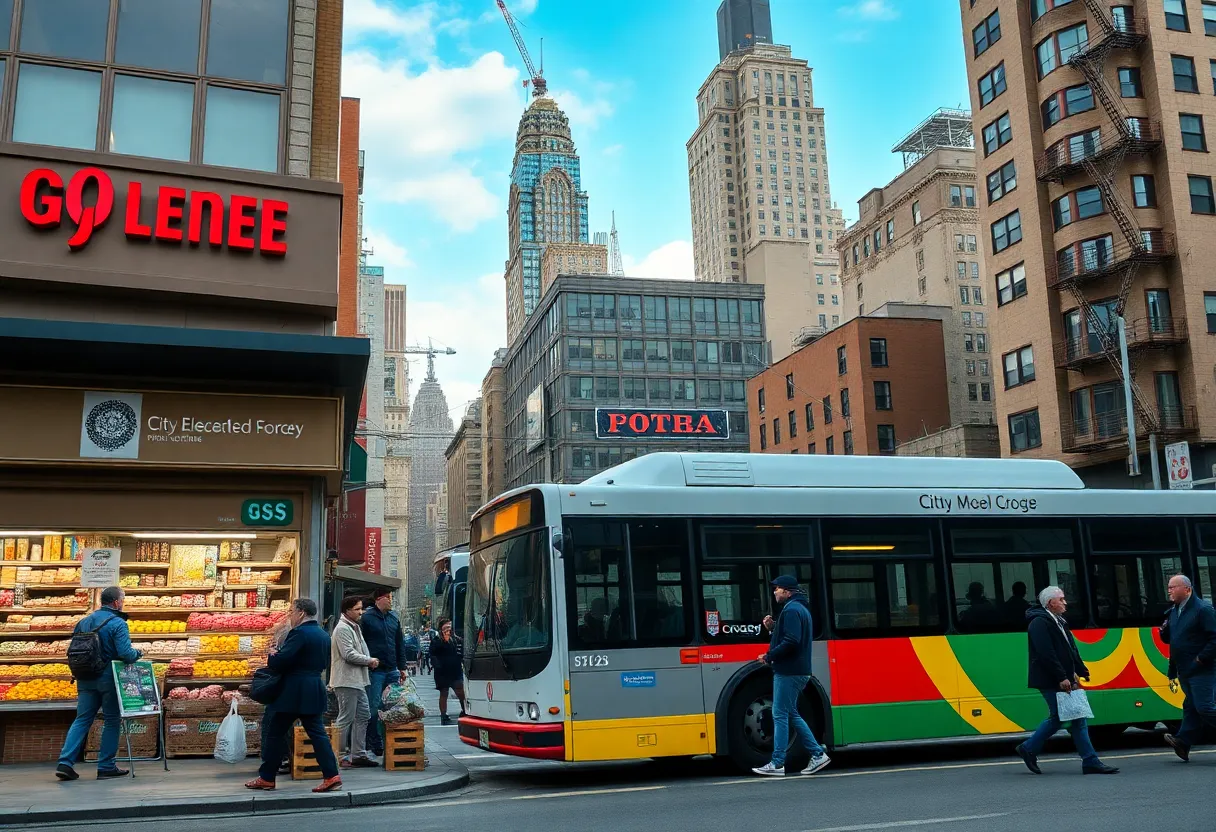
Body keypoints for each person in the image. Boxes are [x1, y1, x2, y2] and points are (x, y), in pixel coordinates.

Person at [1015, 586, 1119, 775]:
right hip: (1049, 679)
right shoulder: (1039, 622)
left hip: (1061, 676)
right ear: (1050, 603)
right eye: (1061, 599)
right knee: (1060, 717)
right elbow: (1046, 653)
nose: (1065, 602)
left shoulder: (1058, 621)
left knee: (1076, 718)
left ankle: (1089, 761)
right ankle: (1029, 748)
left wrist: (1079, 670)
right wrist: (1061, 677)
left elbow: (1070, 649)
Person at [246, 598, 342, 793]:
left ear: (301, 613)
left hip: (293, 690)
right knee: (317, 733)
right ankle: (331, 775)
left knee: (275, 733)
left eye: (291, 611)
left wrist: (273, 654)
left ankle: (267, 777)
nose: (290, 615)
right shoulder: (323, 635)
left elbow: (281, 662)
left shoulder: (298, 633)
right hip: (314, 687)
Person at [55, 586, 142, 781]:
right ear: (117, 602)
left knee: (82, 719)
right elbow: (125, 653)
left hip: (84, 677)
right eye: (123, 600)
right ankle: (106, 766)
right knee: (111, 720)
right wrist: (138, 653)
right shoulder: (118, 623)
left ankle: (65, 763)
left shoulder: (83, 622)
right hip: (107, 678)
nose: (123, 603)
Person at [752, 576, 830, 776]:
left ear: (787, 591)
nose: (775, 592)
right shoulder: (799, 609)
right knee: (790, 713)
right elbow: (791, 637)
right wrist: (773, 628)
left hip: (789, 671)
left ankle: (777, 763)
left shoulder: (792, 610)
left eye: (777, 589)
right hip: (797, 670)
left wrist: (769, 656)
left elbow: (792, 641)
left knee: (779, 714)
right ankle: (817, 754)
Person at [1161, 574, 1216, 761]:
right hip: (1184, 668)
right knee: (1191, 706)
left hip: (1202, 669)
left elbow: (1214, 639)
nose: (1169, 590)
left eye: (1173, 587)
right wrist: (1163, 632)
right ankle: (1183, 742)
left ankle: (1183, 741)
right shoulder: (1174, 611)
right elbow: (1172, 640)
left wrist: (1200, 659)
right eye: (1169, 587)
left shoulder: (1203, 609)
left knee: (1204, 707)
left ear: (1187, 589)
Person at [331, 594, 380, 768]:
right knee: (345, 717)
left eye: (361, 608)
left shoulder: (354, 626)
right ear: (347, 611)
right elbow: (348, 654)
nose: (361, 612)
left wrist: (368, 660)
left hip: (357, 680)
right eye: (357, 609)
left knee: (363, 715)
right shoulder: (343, 628)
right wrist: (369, 660)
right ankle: (338, 755)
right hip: (346, 680)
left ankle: (358, 754)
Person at [360, 588, 407, 757]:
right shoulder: (367, 618)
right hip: (375, 670)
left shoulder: (394, 618)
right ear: (378, 599)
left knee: (393, 707)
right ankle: (374, 741)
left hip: (392, 669)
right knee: (374, 706)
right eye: (388, 597)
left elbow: (399, 643)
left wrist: (402, 667)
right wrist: (366, 662)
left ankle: (392, 741)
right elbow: (361, 643)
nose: (390, 600)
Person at [430, 618, 466, 725]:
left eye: (450, 626)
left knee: (460, 692)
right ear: (441, 628)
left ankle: (465, 711)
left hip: (455, 670)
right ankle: (443, 715)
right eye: (446, 627)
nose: (448, 629)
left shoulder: (456, 639)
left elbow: (461, 650)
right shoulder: (436, 640)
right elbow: (433, 654)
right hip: (442, 672)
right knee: (444, 693)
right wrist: (445, 642)